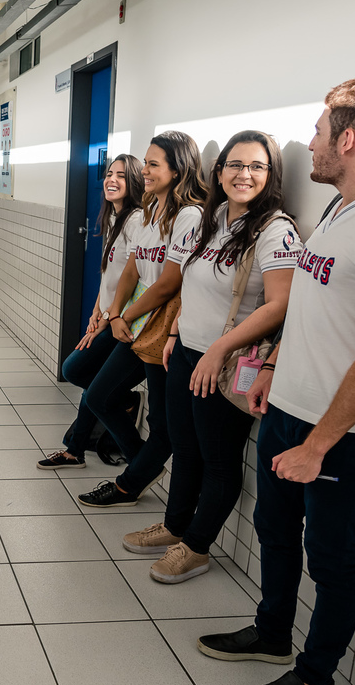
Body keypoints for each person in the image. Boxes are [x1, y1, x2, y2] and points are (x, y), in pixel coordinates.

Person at [199, 76, 355, 685]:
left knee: (330, 557)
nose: (310, 145)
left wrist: (318, 443)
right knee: (274, 529)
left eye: (318, 131)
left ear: (350, 139)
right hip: (288, 410)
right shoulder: (338, 207)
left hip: (343, 435)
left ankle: (313, 679)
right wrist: (275, 366)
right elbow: (312, 304)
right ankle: (272, 629)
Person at [126, 131, 299, 583]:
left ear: (270, 174)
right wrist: (177, 332)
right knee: (184, 447)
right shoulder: (213, 216)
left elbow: (280, 305)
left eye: (256, 167)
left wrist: (218, 348)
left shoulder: (275, 230)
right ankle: (175, 524)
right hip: (186, 352)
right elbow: (193, 281)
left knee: (218, 462)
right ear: (218, 172)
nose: (244, 175)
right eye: (235, 165)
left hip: (226, 364)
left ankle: (197, 547)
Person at [77, 131, 207, 508]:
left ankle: (129, 484)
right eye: (146, 163)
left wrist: (125, 315)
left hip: (162, 330)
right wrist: (115, 313)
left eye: (153, 164)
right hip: (137, 325)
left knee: (165, 425)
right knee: (99, 393)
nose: (144, 171)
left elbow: (169, 283)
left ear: (178, 168)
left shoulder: (190, 216)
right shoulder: (151, 210)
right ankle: (141, 464)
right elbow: (133, 267)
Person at [38, 154, 144, 470]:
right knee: (92, 378)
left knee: (75, 370)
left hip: (126, 321)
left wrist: (110, 317)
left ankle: (139, 452)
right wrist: (96, 312)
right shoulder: (113, 217)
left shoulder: (137, 220)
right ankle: (75, 449)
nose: (111, 180)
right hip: (109, 315)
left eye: (121, 176)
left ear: (136, 182)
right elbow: (110, 274)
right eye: (109, 174)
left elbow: (134, 277)